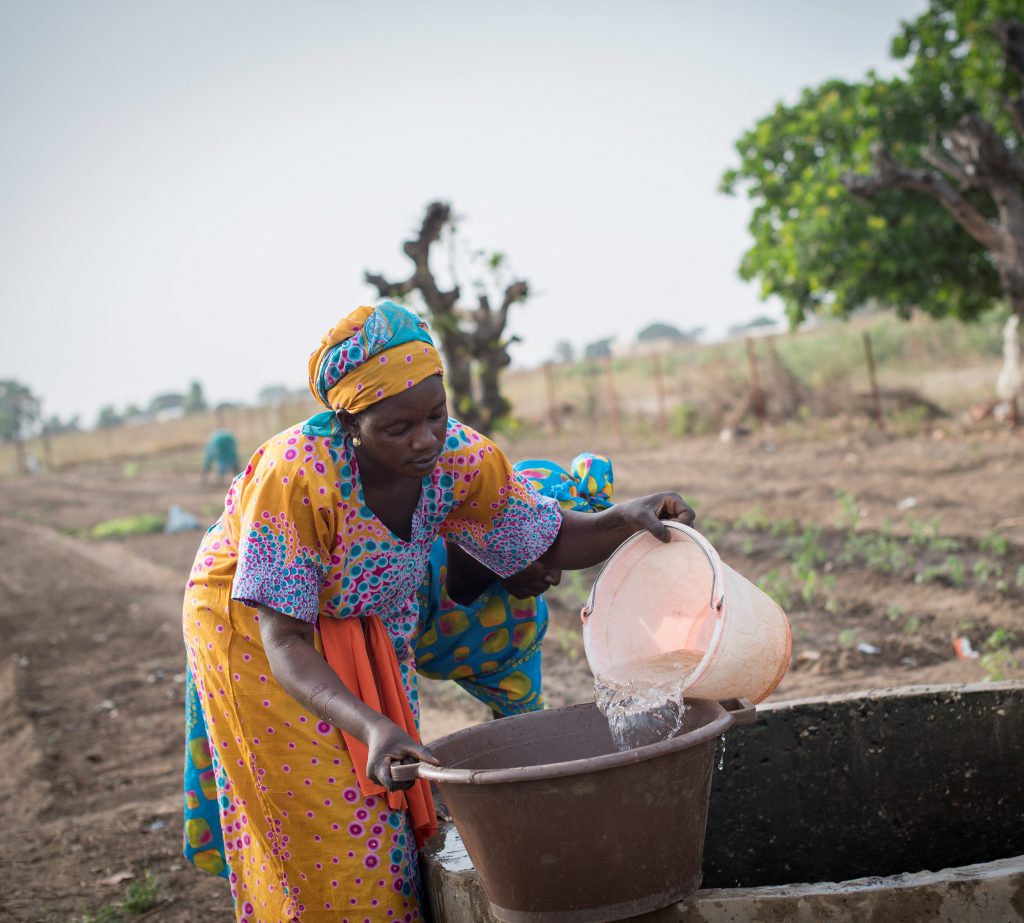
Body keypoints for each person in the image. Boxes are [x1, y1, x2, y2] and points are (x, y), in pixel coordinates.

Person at [182, 301, 694, 922]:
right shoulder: (296, 479)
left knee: (392, 806)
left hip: (364, 616)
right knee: (323, 822)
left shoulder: (459, 457)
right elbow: (284, 638)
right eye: (398, 428)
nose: (425, 439)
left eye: (436, 413)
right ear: (350, 423)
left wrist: (623, 522)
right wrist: (370, 724)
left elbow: (547, 540)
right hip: (257, 636)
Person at [414, 453, 613, 717]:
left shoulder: (521, 621)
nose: (555, 579)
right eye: (546, 554)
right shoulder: (415, 564)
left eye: (563, 561)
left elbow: (520, 728)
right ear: (502, 531)